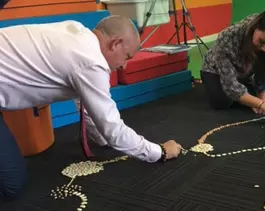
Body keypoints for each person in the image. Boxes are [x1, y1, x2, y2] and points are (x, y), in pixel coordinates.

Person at [0, 15, 183, 202]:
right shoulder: (90, 61)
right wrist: (159, 152)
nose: (124, 66)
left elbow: (85, 102)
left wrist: (102, 140)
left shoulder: (78, 33)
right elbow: (114, 130)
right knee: (11, 185)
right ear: (115, 43)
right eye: (127, 56)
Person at [200, 9, 265, 122]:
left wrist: (263, 102)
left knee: (252, 98)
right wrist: (261, 104)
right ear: (255, 27)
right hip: (214, 71)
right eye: (262, 41)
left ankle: (242, 89)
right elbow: (230, 86)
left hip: (243, 71)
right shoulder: (228, 36)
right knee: (222, 102)